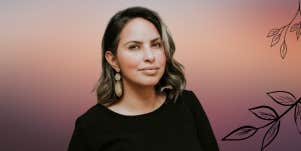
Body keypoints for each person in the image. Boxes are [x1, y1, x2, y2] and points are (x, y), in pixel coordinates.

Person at [67, 6, 219, 151]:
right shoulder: (90, 127)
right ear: (113, 60)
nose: (150, 57)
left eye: (156, 45)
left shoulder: (187, 103)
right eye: (134, 47)